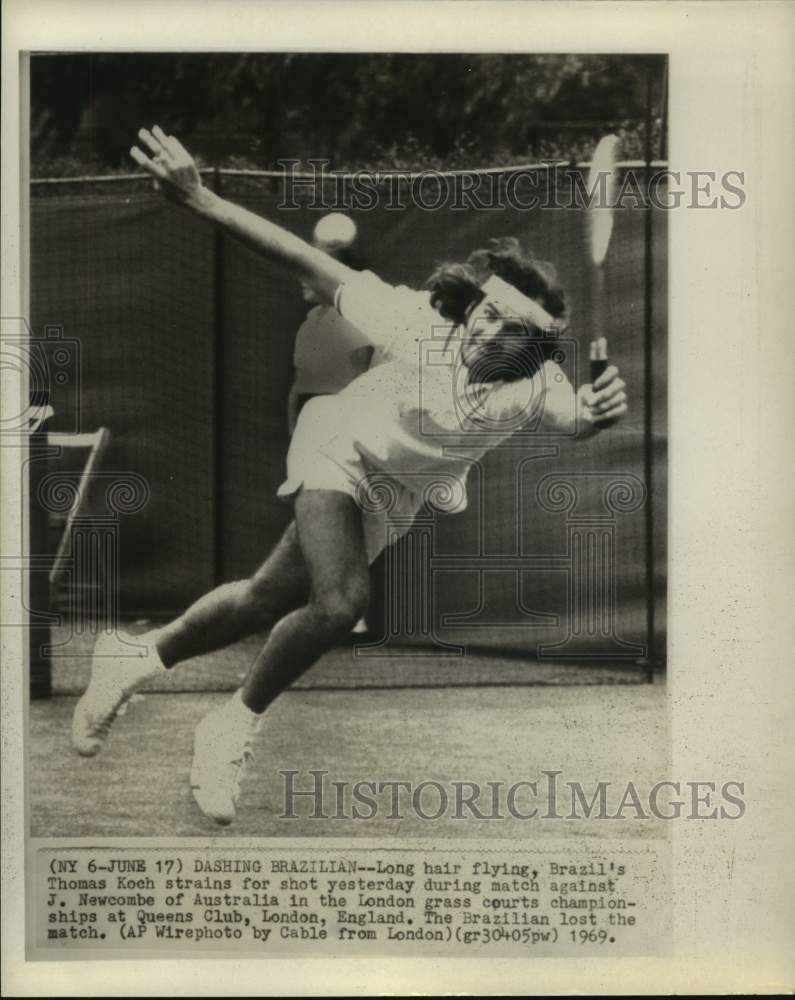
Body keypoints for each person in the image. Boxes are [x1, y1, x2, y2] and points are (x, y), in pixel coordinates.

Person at [71, 126, 628, 825]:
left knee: (263, 600)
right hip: (339, 445)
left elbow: (576, 419)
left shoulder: (536, 383)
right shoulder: (414, 322)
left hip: (392, 493)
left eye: (506, 330)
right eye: (483, 314)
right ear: (472, 306)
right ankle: (231, 725)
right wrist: (202, 199)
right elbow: (302, 257)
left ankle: (135, 655)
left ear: (533, 346)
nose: (485, 334)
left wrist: (599, 411)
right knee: (339, 603)